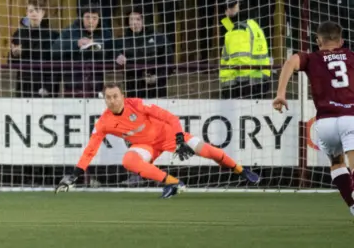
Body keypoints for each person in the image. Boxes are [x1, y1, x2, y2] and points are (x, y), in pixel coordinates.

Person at [56, 83, 259, 198]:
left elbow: (170, 118)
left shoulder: (136, 104)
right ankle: (173, 183)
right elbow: (90, 149)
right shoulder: (104, 122)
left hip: (168, 136)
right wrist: (76, 173)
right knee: (128, 161)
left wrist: (179, 138)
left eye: (115, 96)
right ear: (104, 99)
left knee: (209, 152)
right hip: (145, 146)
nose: (112, 100)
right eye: (108, 97)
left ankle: (241, 170)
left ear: (122, 96)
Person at [273, 21, 354, 216]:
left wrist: (280, 94)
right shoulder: (351, 56)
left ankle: (352, 206)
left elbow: (291, 61)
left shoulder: (312, 57)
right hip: (350, 118)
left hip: (325, 124)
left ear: (318, 41)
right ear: (341, 41)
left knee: (337, 164)